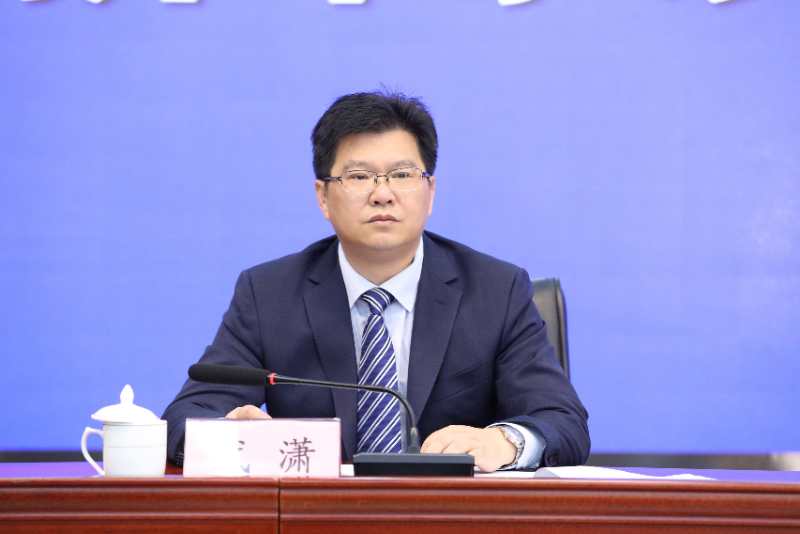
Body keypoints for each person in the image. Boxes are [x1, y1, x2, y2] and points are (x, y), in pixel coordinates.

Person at [162, 91, 589, 472]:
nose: (382, 194)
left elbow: (563, 421)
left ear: (430, 192)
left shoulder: (496, 291)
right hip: (317, 518)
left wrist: (504, 442)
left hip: (450, 516)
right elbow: (185, 416)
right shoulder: (269, 294)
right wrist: (225, 432)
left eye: (402, 175)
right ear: (323, 196)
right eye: (359, 176)